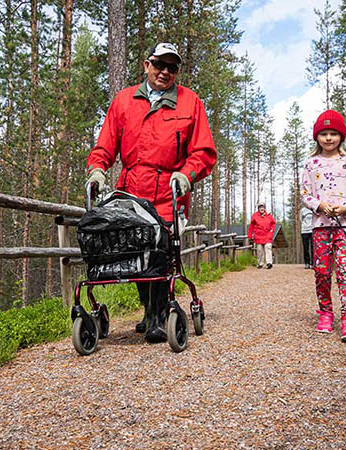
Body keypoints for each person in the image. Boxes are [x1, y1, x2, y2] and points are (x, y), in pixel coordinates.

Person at [85, 43, 217, 343]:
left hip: (168, 190)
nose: (165, 72)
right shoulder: (124, 101)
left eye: (172, 67)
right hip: (132, 191)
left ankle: (158, 316)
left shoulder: (190, 102)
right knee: (136, 250)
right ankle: (149, 310)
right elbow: (105, 145)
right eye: (160, 65)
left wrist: (187, 174)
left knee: (160, 251)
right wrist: (97, 169)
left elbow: (204, 151)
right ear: (147, 65)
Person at [301, 110, 346, 343]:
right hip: (320, 226)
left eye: (333, 134)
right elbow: (305, 194)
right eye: (324, 134)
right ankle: (326, 313)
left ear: (341, 136)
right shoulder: (311, 163)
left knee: (345, 271)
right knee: (321, 271)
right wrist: (320, 205)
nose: (329, 138)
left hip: (345, 226)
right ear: (317, 137)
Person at [248, 202, 276, 269]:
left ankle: (269, 263)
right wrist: (250, 235)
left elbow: (273, 224)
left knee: (268, 247)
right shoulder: (255, 216)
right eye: (260, 207)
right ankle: (260, 263)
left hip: (267, 235)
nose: (261, 208)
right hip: (258, 235)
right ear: (258, 208)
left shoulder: (269, 215)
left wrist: (271, 230)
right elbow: (251, 226)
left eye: (262, 207)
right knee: (260, 250)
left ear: (265, 208)